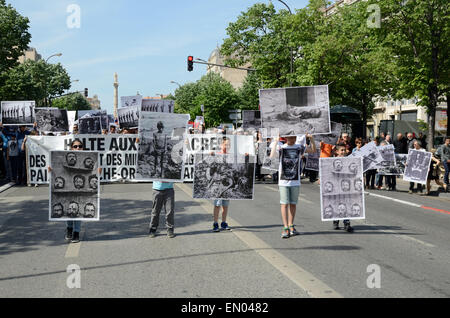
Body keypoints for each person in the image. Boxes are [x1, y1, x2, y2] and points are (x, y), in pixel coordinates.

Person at [271, 133, 317, 239]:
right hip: (283, 181)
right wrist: (275, 141)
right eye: (289, 137)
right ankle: (285, 227)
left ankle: (291, 225)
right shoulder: (282, 147)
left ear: (296, 138)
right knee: (284, 204)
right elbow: (272, 156)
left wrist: (312, 139)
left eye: (293, 137)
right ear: (286, 138)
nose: (291, 139)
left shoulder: (299, 147)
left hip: (295, 181)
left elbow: (313, 151)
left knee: (293, 204)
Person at [211, 136, 232, 232]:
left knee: (225, 205)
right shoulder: (216, 155)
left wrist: (246, 156)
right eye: (226, 144)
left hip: (226, 185)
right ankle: (215, 223)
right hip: (217, 184)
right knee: (217, 204)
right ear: (221, 145)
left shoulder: (231, 156)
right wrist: (211, 155)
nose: (227, 146)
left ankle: (223, 222)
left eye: (229, 145)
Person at [332, 143, 354, 233]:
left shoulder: (348, 161)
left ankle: (347, 223)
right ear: (337, 151)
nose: (344, 152)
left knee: (347, 204)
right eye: (342, 150)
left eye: (345, 150)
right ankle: (336, 220)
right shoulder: (332, 161)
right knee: (337, 204)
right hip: (336, 186)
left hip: (346, 186)